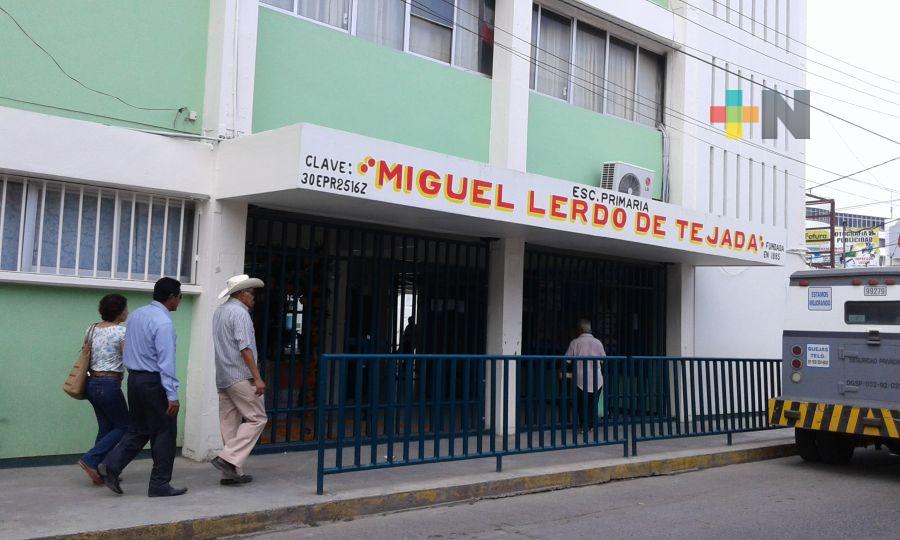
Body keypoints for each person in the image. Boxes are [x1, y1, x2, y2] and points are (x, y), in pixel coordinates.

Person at [98, 277, 186, 497]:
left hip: (135, 380)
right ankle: (159, 484)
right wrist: (172, 395)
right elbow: (166, 362)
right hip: (154, 382)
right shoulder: (163, 323)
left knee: (139, 429)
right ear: (172, 297)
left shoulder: (137, 315)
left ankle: (112, 465)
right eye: (180, 297)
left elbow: (129, 348)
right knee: (165, 431)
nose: (180, 301)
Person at [210, 274, 268, 486]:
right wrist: (257, 377)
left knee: (229, 423)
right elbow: (245, 348)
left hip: (223, 375)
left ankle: (231, 472)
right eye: (252, 293)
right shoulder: (240, 313)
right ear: (242, 294)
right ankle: (227, 459)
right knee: (257, 418)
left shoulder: (220, 312)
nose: (254, 298)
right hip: (240, 375)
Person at [78, 294, 129, 485]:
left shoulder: (91, 329)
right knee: (125, 426)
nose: (127, 311)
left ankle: (98, 468)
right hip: (109, 384)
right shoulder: (120, 332)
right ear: (120, 311)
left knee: (107, 427)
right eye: (126, 308)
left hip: (92, 383)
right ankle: (91, 459)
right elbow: (128, 358)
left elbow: (86, 352)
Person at [565, 319, 606, 434]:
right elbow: (603, 360)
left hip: (580, 379)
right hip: (597, 379)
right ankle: (591, 425)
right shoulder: (598, 342)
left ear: (580, 330)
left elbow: (567, 360)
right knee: (593, 403)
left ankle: (584, 426)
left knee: (581, 403)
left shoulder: (575, 342)